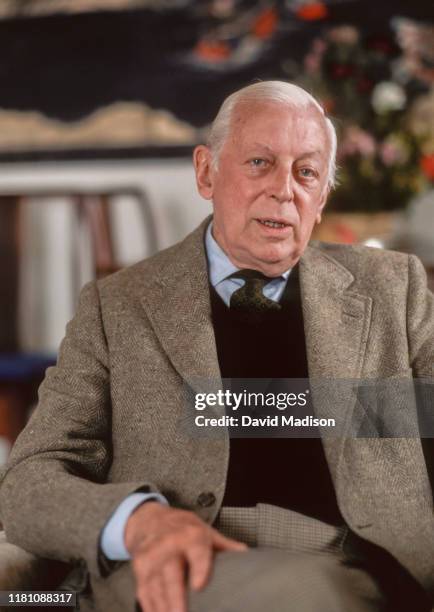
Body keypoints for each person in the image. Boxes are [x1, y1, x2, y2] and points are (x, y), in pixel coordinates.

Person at [1, 81, 433, 612]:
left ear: (322, 197)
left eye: (306, 172)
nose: (284, 190)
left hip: (360, 563)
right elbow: (28, 480)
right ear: (206, 172)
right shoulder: (119, 305)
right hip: (181, 560)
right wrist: (137, 521)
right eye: (259, 162)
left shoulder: (393, 288)